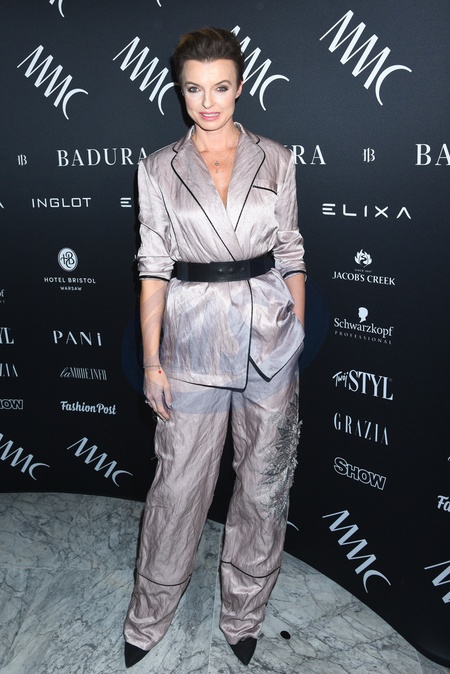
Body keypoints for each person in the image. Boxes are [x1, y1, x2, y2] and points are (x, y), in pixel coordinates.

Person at [123, 27, 306, 668]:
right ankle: (149, 616)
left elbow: (290, 250)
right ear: (180, 91)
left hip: (268, 345)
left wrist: (294, 328)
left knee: (263, 484)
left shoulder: (276, 159)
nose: (208, 103)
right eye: (194, 89)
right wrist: (153, 362)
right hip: (192, 341)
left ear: (239, 87)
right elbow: (153, 267)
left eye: (220, 88)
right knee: (178, 486)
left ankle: (244, 613)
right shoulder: (157, 168)